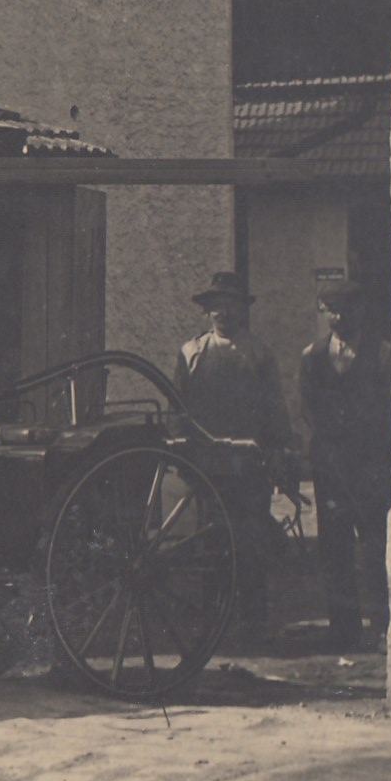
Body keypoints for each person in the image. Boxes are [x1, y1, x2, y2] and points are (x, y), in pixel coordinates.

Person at [169, 270, 296, 640]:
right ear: (207, 311)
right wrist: (182, 450)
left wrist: (279, 450)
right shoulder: (192, 353)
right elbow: (178, 408)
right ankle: (214, 623)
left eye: (230, 306)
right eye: (216, 307)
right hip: (209, 466)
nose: (222, 313)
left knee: (251, 543)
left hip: (250, 465)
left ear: (241, 310)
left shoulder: (258, 354)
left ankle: (253, 621)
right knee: (213, 542)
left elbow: (274, 408)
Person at [297, 274, 391, 651]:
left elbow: (389, 409)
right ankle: (344, 630)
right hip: (331, 468)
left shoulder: (383, 354)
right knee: (334, 548)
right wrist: (330, 441)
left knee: (375, 547)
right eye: (331, 311)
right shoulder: (313, 356)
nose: (337, 318)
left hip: (371, 467)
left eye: (344, 310)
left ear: (360, 311)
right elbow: (308, 409)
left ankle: (384, 626)